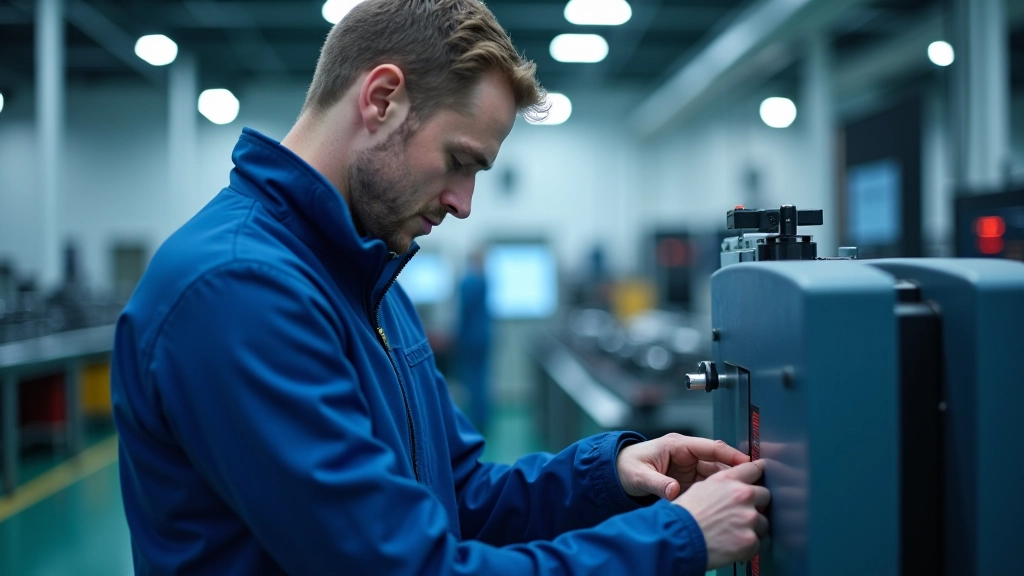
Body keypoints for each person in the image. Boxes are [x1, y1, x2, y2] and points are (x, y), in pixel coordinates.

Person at [110, 0, 770, 574]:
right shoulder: (239, 292)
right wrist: (676, 539)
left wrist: (613, 476)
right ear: (381, 99)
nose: (464, 204)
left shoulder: (367, 277)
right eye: (460, 161)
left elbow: (461, 496)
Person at [456, 250, 491, 433]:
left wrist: (457, 336)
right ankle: (483, 418)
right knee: (482, 378)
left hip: (470, 338)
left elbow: (463, 314)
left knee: (472, 379)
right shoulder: (484, 281)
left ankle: (474, 420)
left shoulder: (467, 283)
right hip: (484, 336)